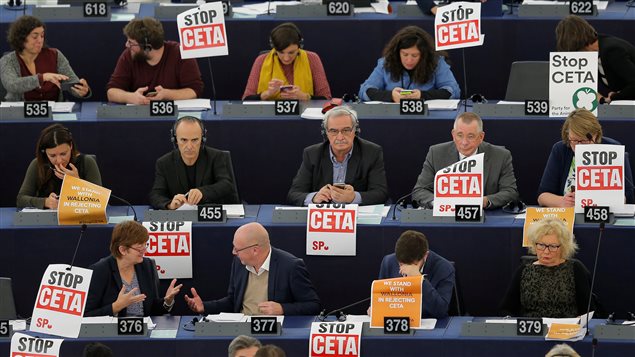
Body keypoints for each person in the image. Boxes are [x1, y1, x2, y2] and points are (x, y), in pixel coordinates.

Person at [184, 222, 321, 316]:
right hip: (242, 331)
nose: (233, 252)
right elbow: (233, 301)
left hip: (273, 333)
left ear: (255, 250)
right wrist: (205, 307)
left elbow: (313, 305)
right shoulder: (239, 263)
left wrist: (282, 309)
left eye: (237, 249)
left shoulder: (291, 266)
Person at [412, 112, 519, 209]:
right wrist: (439, 203)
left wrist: (485, 201)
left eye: (470, 136)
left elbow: (510, 192)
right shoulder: (436, 153)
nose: (464, 142)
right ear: (453, 135)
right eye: (459, 135)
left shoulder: (500, 156)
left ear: (481, 137)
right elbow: (419, 191)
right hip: (446, 218)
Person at [287, 106, 389, 206]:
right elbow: (294, 194)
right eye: (334, 131)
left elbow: (381, 193)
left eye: (346, 130)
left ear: (355, 131)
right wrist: (314, 198)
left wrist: (353, 197)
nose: (340, 137)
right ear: (326, 133)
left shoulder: (371, 152)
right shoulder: (312, 154)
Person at [537, 109, 634, 206]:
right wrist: (563, 201)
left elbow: (628, 197)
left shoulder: (613, 149)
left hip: (604, 217)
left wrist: (603, 200)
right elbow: (542, 197)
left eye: (583, 141)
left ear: (595, 135)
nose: (578, 146)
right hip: (569, 216)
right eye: (574, 140)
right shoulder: (560, 149)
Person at [85, 220, 182, 317]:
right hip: (112, 330)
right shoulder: (100, 270)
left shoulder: (147, 265)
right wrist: (116, 307)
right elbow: (86, 315)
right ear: (122, 250)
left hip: (144, 329)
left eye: (145, 245)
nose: (145, 251)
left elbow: (153, 309)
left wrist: (167, 301)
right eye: (139, 248)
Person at [500, 218, 591, 318]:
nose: (546, 252)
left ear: (563, 247)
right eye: (541, 245)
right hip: (532, 331)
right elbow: (505, 310)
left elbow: (588, 311)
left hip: (565, 330)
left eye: (552, 246)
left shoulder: (575, 269)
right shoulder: (524, 270)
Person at [149, 116, 240, 209]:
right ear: (175, 140)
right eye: (184, 140)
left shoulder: (216, 157)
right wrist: (169, 204)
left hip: (210, 217)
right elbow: (156, 195)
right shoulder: (164, 163)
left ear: (202, 139)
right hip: (182, 218)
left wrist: (203, 192)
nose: (189, 146)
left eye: (194, 140)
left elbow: (227, 185)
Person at [106, 17, 203, 105]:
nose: (126, 45)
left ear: (147, 47)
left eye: (131, 43)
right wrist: (131, 97)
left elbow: (194, 90)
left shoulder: (180, 54)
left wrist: (167, 94)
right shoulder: (128, 55)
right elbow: (112, 92)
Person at [359, 25, 460, 102]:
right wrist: (391, 96)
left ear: (423, 55)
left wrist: (422, 95)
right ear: (397, 52)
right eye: (405, 54)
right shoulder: (386, 63)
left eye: (414, 56)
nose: (409, 60)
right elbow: (365, 90)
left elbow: (453, 91)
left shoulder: (436, 62)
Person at [1, 15, 91, 101]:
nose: (40, 40)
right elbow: (12, 84)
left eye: (42, 35)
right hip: (20, 113)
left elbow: (71, 82)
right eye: (35, 36)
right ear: (21, 38)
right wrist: (42, 78)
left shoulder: (55, 55)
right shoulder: (8, 60)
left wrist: (83, 91)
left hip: (54, 112)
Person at [17, 124, 102, 209]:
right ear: (44, 152)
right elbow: (20, 199)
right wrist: (45, 202)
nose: (59, 160)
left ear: (71, 146)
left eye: (63, 154)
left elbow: (100, 200)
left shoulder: (87, 162)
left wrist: (77, 182)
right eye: (52, 156)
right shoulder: (38, 164)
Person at [242, 22, 331, 101]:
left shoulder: (312, 58)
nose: (286, 58)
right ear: (274, 48)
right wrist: (267, 94)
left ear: (300, 46)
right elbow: (246, 99)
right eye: (281, 52)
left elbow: (326, 98)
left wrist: (305, 97)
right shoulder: (261, 60)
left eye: (291, 52)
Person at [556, 15, 635, 102]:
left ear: (575, 43)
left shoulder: (612, 51)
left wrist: (615, 97)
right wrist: (604, 100)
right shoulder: (597, 50)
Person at [377, 230, 455, 318]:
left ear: (425, 256)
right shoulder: (388, 262)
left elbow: (440, 310)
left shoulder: (444, 268)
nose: (406, 270)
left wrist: (419, 279)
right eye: (401, 264)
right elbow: (379, 298)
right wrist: (375, 308)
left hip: (428, 322)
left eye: (413, 265)